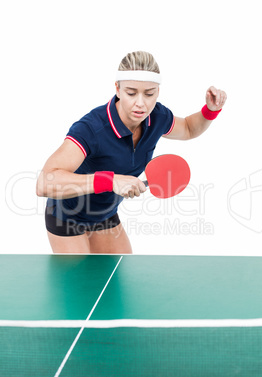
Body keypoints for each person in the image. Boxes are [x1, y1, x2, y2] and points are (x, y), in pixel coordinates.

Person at [36, 51, 227, 254]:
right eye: (131, 92)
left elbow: (188, 128)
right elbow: (44, 183)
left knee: (119, 278)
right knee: (81, 284)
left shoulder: (158, 117)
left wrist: (210, 110)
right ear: (118, 89)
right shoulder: (92, 129)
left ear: (158, 92)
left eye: (149, 93)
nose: (141, 103)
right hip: (67, 215)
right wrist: (111, 181)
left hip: (105, 214)